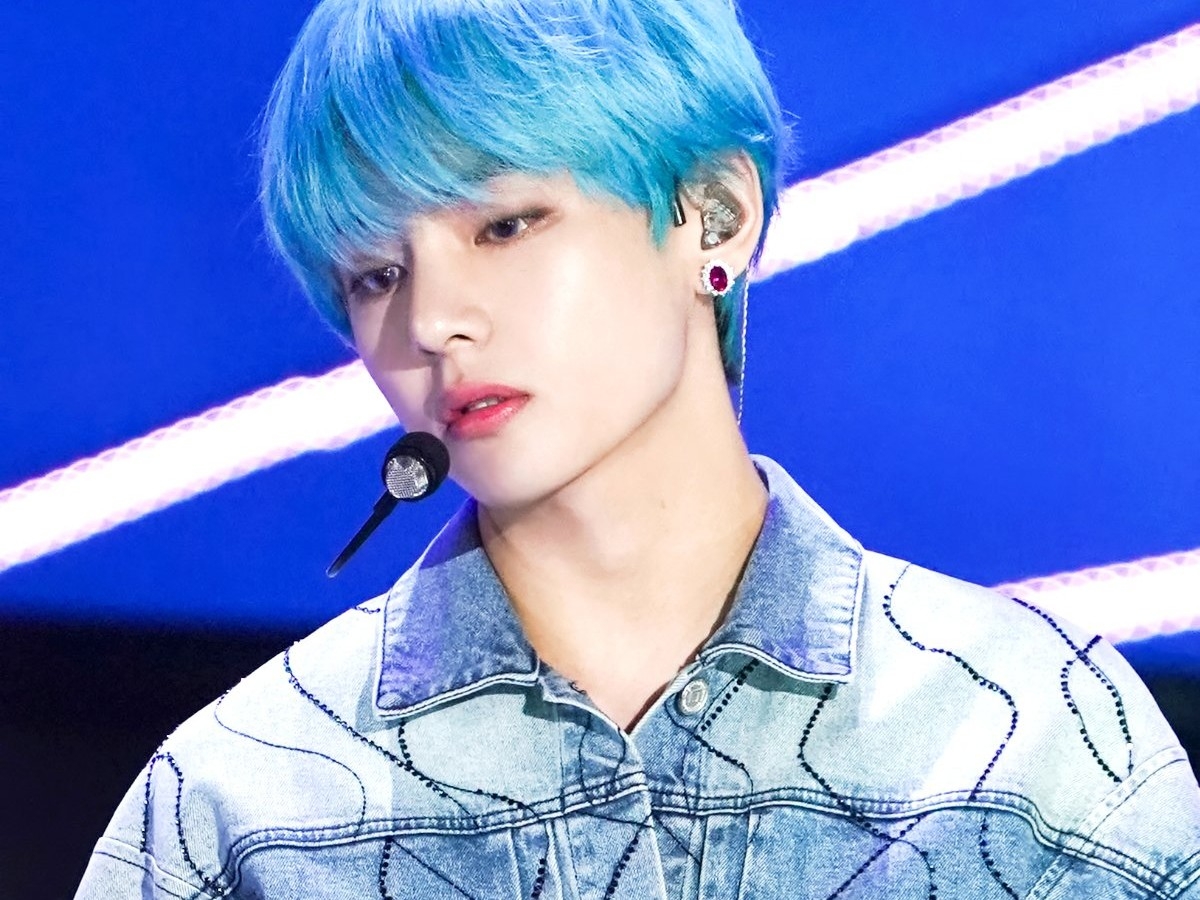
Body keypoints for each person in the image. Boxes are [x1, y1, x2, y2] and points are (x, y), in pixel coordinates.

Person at [77, 0, 1200, 897]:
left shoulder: (1030, 740)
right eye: (377, 275)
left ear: (713, 215)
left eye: (504, 225)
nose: (432, 321)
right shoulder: (245, 803)